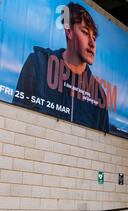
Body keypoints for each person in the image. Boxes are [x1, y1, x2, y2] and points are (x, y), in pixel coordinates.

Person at [13, 2, 109, 132]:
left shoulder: (99, 95)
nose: (92, 43)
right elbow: (17, 118)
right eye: (85, 33)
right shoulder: (38, 63)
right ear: (69, 32)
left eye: (94, 37)